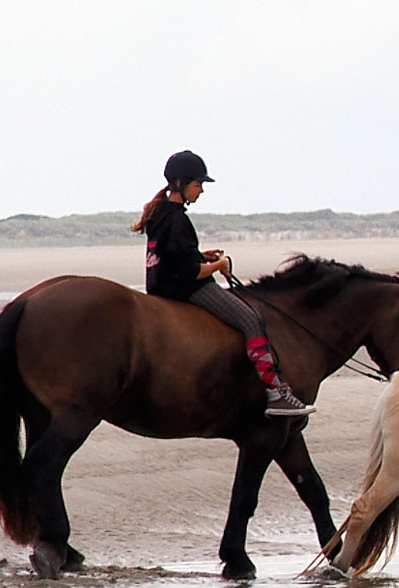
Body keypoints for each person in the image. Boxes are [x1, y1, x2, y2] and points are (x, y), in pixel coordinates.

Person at [132, 150, 314, 417]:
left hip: (160, 286)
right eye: (198, 184)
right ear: (180, 183)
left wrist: (201, 255)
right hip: (184, 289)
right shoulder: (178, 219)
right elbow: (189, 273)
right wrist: (219, 265)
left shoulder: (159, 212)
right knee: (251, 320)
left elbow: (172, 255)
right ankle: (275, 392)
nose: (201, 190)